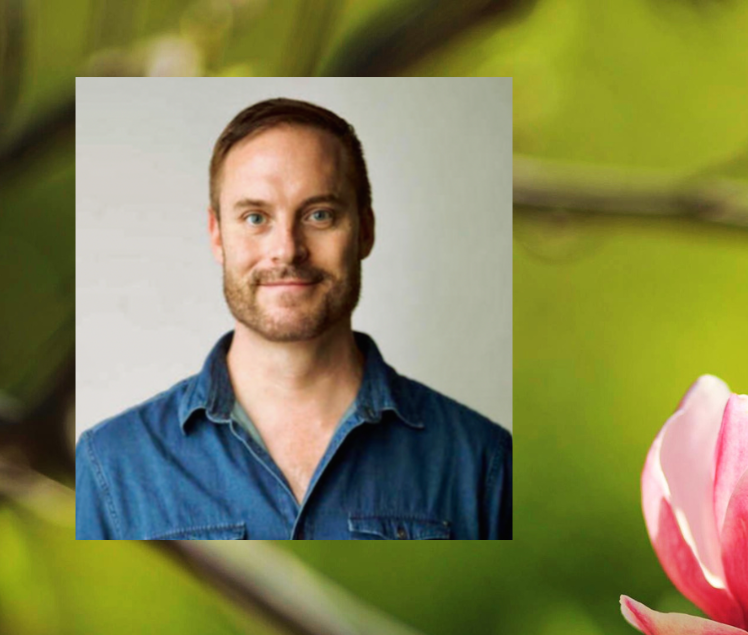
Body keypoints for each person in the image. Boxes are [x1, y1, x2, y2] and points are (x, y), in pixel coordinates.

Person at [76, 98, 512, 540]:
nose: (286, 249)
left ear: (365, 230)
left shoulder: (482, 461)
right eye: (255, 217)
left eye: (319, 215)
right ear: (216, 235)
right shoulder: (111, 464)